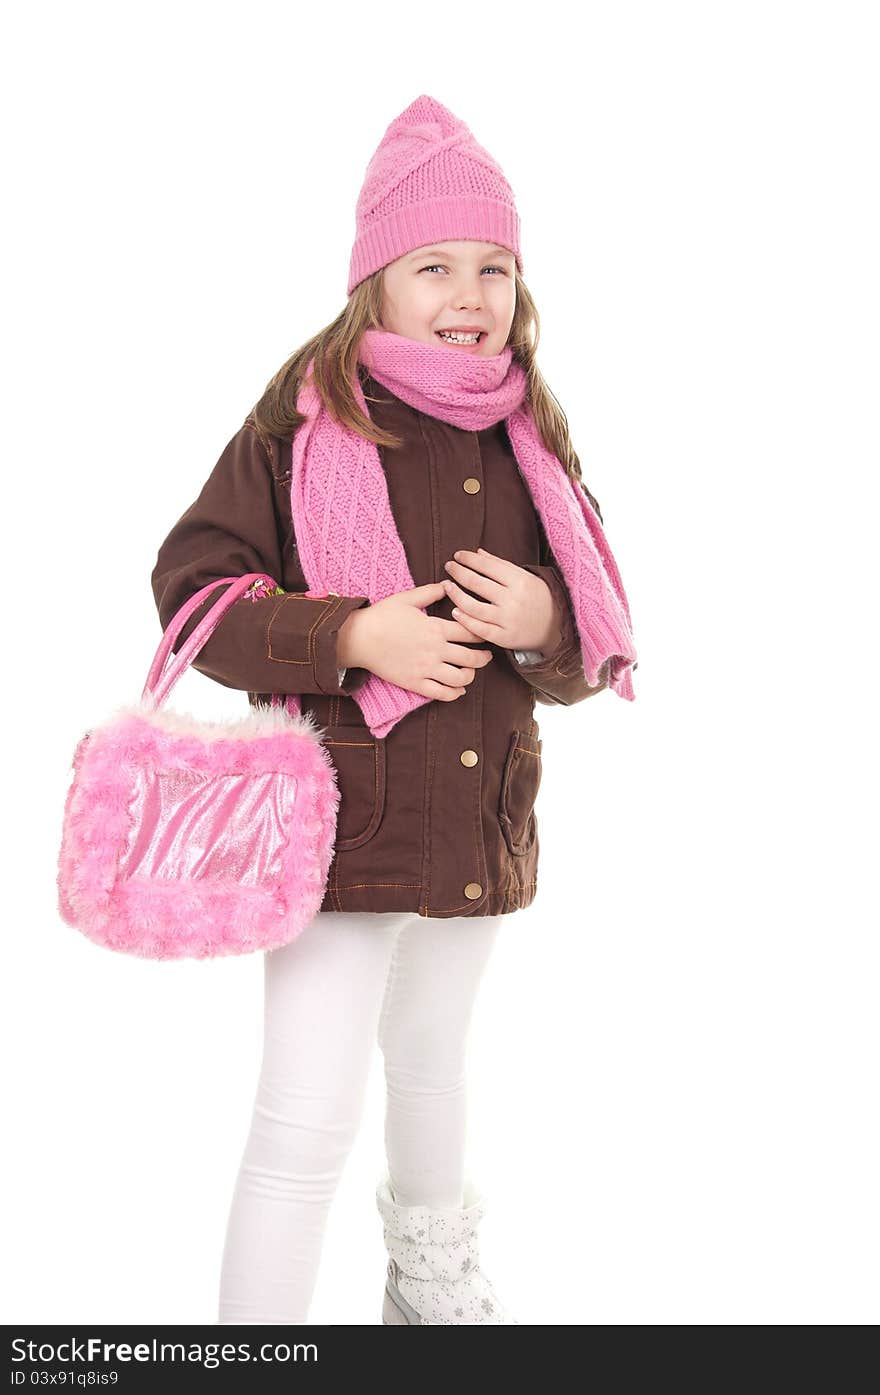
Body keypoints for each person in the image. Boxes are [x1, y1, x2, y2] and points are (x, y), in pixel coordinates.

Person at [151, 94, 636, 1326]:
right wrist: (352, 631)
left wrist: (545, 626)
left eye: (494, 267)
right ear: (375, 281)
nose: (469, 291)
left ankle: (431, 1296)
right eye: (434, 264)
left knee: (430, 1070)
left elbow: (592, 632)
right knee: (302, 1112)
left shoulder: (535, 434)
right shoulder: (301, 420)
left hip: (478, 817)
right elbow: (195, 596)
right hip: (338, 825)